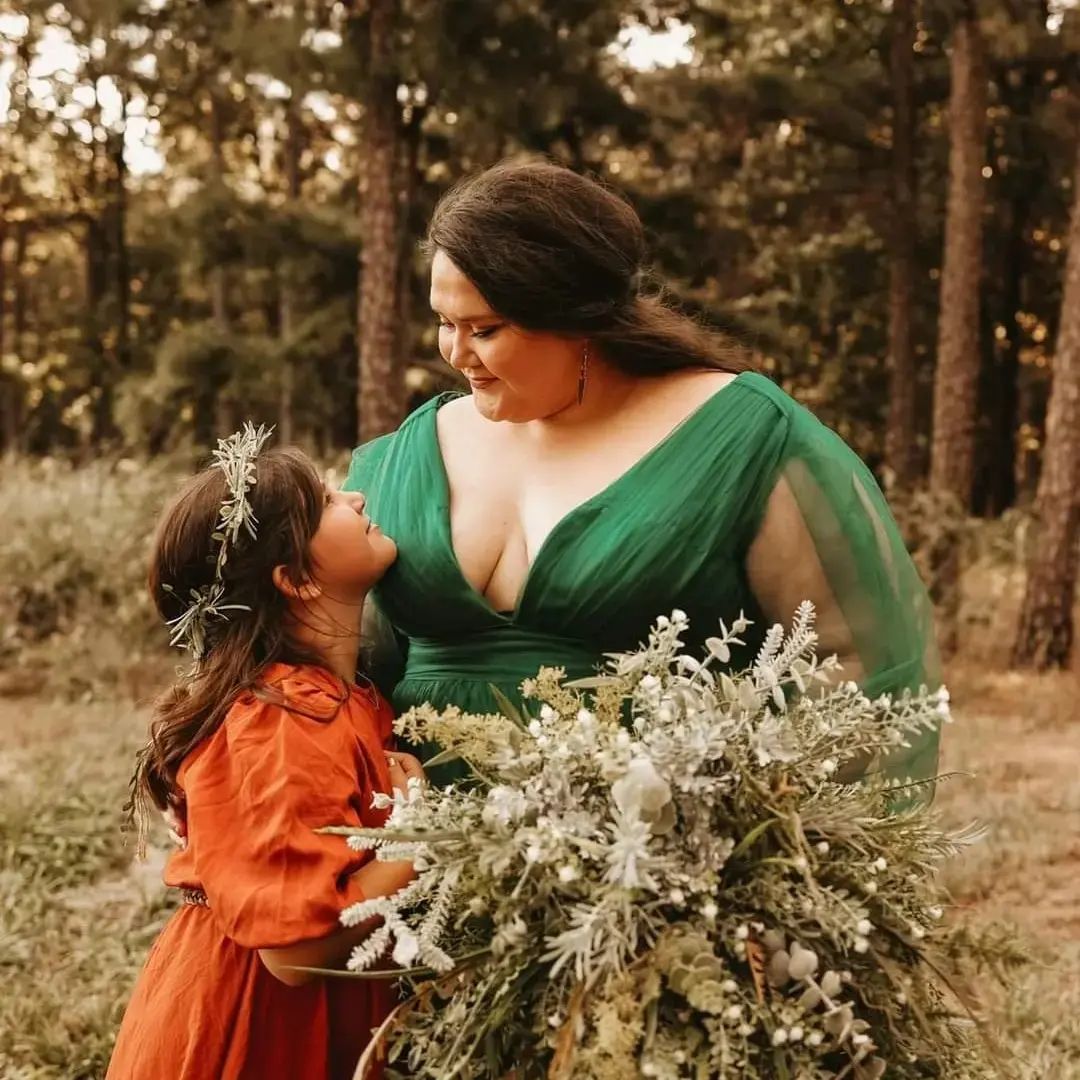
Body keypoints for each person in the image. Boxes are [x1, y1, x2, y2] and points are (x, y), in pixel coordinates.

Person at [346, 160, 940, 787]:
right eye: (445, 322)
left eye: (485, 330)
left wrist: (737, 825)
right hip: (409, 861)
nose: (456, 354)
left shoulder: (740, 438)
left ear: (577, 319)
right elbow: (344, 666)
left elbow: (852, 664)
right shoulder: (402, 459)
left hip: (662, 863)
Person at [109, 426, 424, 1080]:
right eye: (330, 501)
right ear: (296, 579)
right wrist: (419, 837)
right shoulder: (284, 719)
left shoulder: (334, 697)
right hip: (255, 1028)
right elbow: (296, 945)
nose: (360, 499)